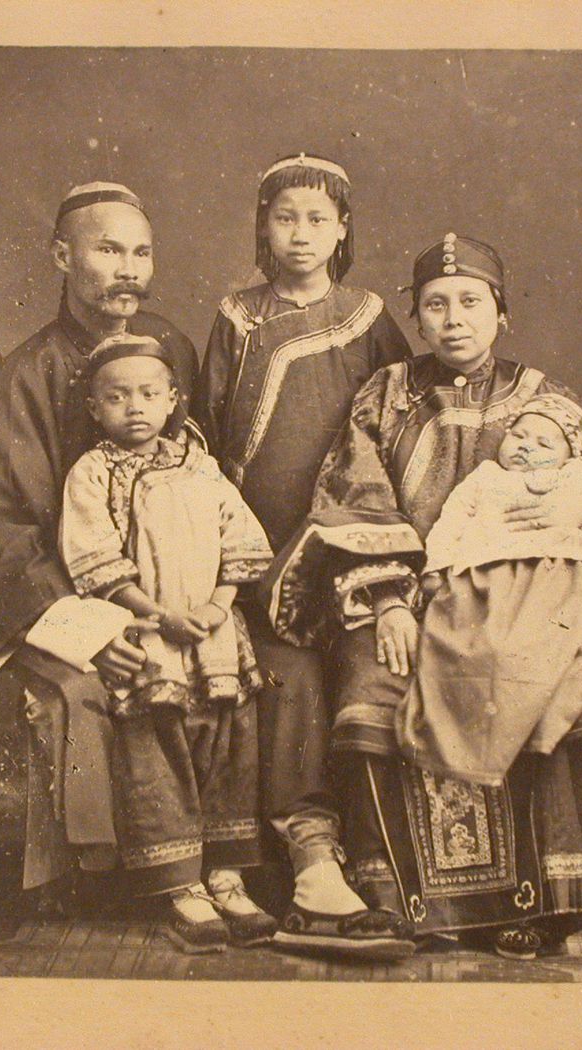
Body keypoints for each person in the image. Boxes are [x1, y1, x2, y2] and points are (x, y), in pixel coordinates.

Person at [265, 233, 582, 960]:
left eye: (471, 302)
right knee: (371, 679)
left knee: (536, 674)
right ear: (417, 318)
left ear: (501, 312)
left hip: (514, 595)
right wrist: (390, 598)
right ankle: (392, 891)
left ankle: (533, 902)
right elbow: (357, 493)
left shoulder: (549, 400)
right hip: (405, 591)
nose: (454, 318)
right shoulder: (387, 393)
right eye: (435, 305)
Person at [0, 183, 204, 915]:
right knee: (92, 688)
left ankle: (211, 865)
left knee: (225, 667)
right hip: (59, 603)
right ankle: (104, 879)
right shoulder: (27, 371)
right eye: (107, 249)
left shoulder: (170, 349)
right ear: (63, 255)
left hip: (168, 592)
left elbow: (205, 482)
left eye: (141, 251)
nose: (128, 268)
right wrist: (94, 630)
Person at [190, 152, 414, 959]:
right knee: (289, 681)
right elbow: (211, 436)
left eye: (319, 218)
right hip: (260, 545)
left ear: (344, 228)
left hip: (346, 544)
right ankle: (310, 861)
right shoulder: (237, 315)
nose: (300, 234)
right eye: (285, 217)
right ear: (262, 225)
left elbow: (397, 423)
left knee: (362, 682)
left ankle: (383, 864)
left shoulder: (367, 315)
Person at [58, 334, 276, 952]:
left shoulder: (200, 466)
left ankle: (228, 876)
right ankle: (182, 885)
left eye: (150, 394)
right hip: (151, 636)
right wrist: (156, 614)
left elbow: (240, 538)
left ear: (174, 399)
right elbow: (92, 552)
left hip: (213, 636)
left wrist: (215, 608)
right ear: (95, 408)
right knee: (157, 751)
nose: (135, 407)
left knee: (227, 744)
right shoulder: (93, 472)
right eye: (117, 396)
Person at [396, 392, 582, 787]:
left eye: (544, 443)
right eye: (518, 436)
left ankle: (532, 728)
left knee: (542, 650)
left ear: (569, 452)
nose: (526, 447)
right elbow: (452, 520)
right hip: (487, 581)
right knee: (471, 644)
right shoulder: (484, 478)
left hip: (560, 581)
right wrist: (438, 566)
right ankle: (469, 748)